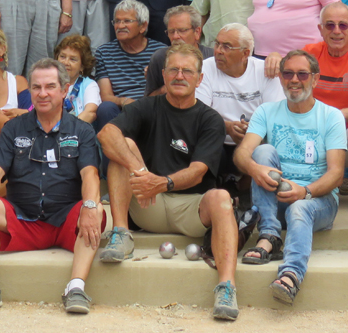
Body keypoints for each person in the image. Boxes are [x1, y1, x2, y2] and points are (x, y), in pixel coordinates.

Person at [98, 42, 241, 321]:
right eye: (173, 70)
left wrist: (161, 182)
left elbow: (199, 171)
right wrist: (140, 171)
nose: (179, 76)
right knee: (120, 146)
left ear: (200, 79)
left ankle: (227, 287)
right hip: (147, 202)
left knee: (221, 197)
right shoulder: (146, 106)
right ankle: (121, 235)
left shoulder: (209, 118)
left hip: (191, 209)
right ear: (162, 75)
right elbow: (105, 134)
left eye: (187, 71)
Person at [0, 59, 104, 314]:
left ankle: (75, 288)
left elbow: (90, 175)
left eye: (50, 86)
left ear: (64, 90)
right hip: (22, 218)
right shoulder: (13, 128)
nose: (43, 93)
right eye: (36, 87)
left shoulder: (82, 130)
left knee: (95, 209)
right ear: (29, 91)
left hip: (65, 222)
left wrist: (89, 206)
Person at [234, 49, 345, 304]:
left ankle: (291, 274)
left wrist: (304, 192)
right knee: (261, 152)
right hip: (277, 198)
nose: (294, 79)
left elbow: (337, 174)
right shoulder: (266, 111)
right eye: (287, 73)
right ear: (281, 78)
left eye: (302, 74)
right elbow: (242, 154)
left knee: (300, 209)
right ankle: (270, 234)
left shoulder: (331, 116)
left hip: (318, 201)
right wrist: (254, 169)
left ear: (315, 79)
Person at [286, 2, 348, 211]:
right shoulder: (308, 55)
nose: (336, 31)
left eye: (343, 25)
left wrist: (333, 116)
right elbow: (292, 89)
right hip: (313, 132)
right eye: (329, 25)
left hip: (347, 134)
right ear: (320, 29)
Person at [197, 23, 284, 187]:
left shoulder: (264, 70)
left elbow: (275, 115)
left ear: (245, 53)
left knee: (268, 148)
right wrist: (226, 127)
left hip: (256, 141)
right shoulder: (205, 68)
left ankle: (249, 191)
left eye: (227, 46)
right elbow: (199, 114)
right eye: (217, 44)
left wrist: (253, 131)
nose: (218, 51)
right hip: (216, 141)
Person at [94, 0, 167, 130]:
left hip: (153, 106)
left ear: (143, 26)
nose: (120, 26)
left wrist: (144, 101)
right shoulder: (104, 52)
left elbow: (168, 88)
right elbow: (106, 96)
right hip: (122, 110)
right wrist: (124, 101)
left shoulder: (161, 52)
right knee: (105, 108)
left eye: (127, 21)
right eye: (116, 21)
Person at [143, 5, 214, 96]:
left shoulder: (212, 58)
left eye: (182, 30)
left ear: (197, 32)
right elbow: (148, 100)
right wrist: (166, 89)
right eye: (171, 31)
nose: (175, 36)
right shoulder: (160, 57)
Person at [55, 35, 102, 124]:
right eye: (62, 57)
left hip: (77, 134)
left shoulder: (89, 85)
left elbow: (90, 113)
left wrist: (66, 130)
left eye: (73, 59)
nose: (66, 62)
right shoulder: (49, 82)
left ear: (82, 66)